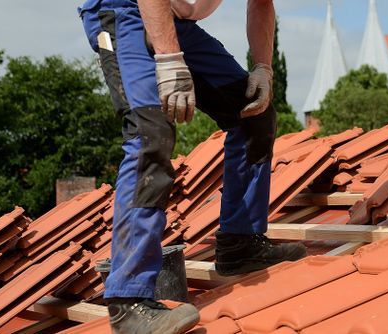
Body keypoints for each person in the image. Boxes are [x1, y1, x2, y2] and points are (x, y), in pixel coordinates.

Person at [77, 0, 306, 332]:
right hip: (123, 10)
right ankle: (128, 301)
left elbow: (261, 3)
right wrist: (169, 59)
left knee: (253, 114)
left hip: (173, 20)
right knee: (150, 134)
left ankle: (240, 244)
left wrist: (263, 67)